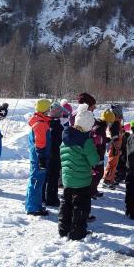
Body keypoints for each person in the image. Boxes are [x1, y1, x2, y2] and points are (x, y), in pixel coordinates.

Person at [58, 103, 99, 240]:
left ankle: (63, 229)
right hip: (82, 181)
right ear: (88, 126)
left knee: (66, 204)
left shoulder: (65, 139)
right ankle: (77, 233)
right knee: (81, 207)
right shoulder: (86, 142)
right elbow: (94, 160)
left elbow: (63, 156)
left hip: (67, 179)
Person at [25, 99, 51, 216]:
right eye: (49, 108)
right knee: (36, 181)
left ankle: (33, 205)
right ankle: (33, 207)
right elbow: (40, 144)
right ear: (45, 110)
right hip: (39, 157)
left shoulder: (40, 121)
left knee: (36, 180)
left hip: (38, 156)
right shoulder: (40, 124)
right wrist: (41, 160)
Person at [90, 109, 115, 199]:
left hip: (98, 154)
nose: (110, 124)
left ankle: (93, 190)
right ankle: (91, 191)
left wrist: (107, 140)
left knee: (98, 174)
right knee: (98, 174)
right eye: (110, 122)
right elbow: (96, 141)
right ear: (106, 121)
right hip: (97, 155)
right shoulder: (99, 128)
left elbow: (101, 139)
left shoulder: (99, 126)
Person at [44, 102, 64, 206]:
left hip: (46, 154)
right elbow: (58, 143)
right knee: (53, 177)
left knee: (46, 177)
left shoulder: (47, 123)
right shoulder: (57, 126)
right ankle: (51, 199)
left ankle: (44, 197)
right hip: (54, 155)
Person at [103, 104, 124, 189]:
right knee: (112, 163)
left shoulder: (116, 121)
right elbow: (114, 135)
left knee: (114, 164)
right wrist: (116, 146)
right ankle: (106, 180)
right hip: (114, 146)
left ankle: (110, 179)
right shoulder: (114, 122)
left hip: (116, 145)